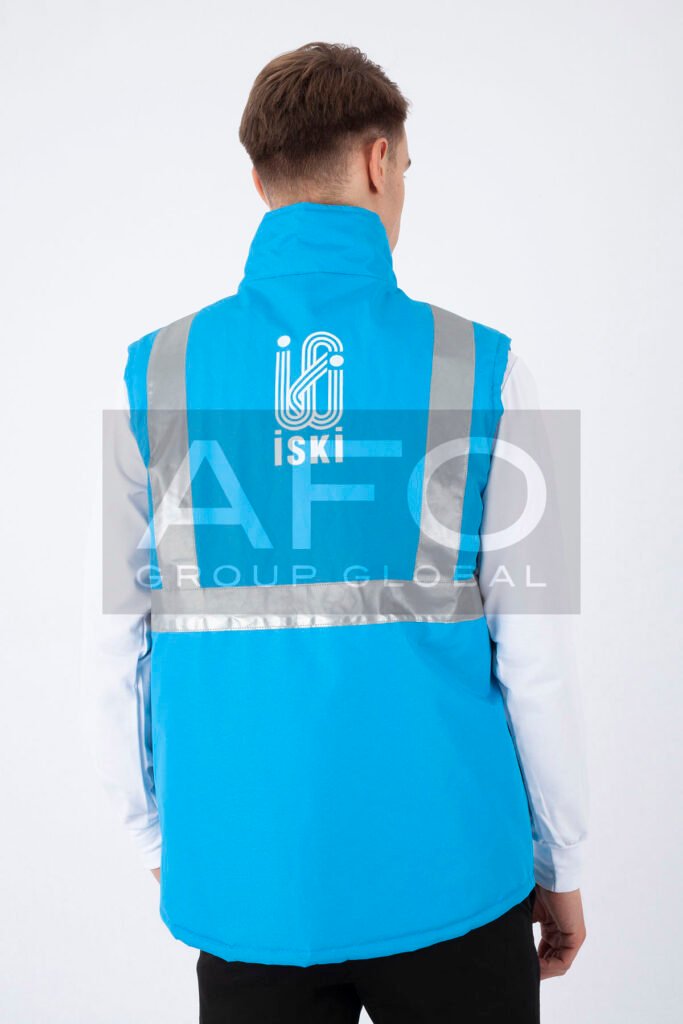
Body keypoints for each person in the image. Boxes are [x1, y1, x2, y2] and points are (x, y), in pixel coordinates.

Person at [82, 41, 588, 1023]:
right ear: (377, 160)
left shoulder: (154, 374)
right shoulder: (484, 367)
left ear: (259, 178)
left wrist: (158, 842)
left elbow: (112, 647)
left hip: (245, 885)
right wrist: (559, 861)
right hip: (453, 877)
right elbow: (538, 657)